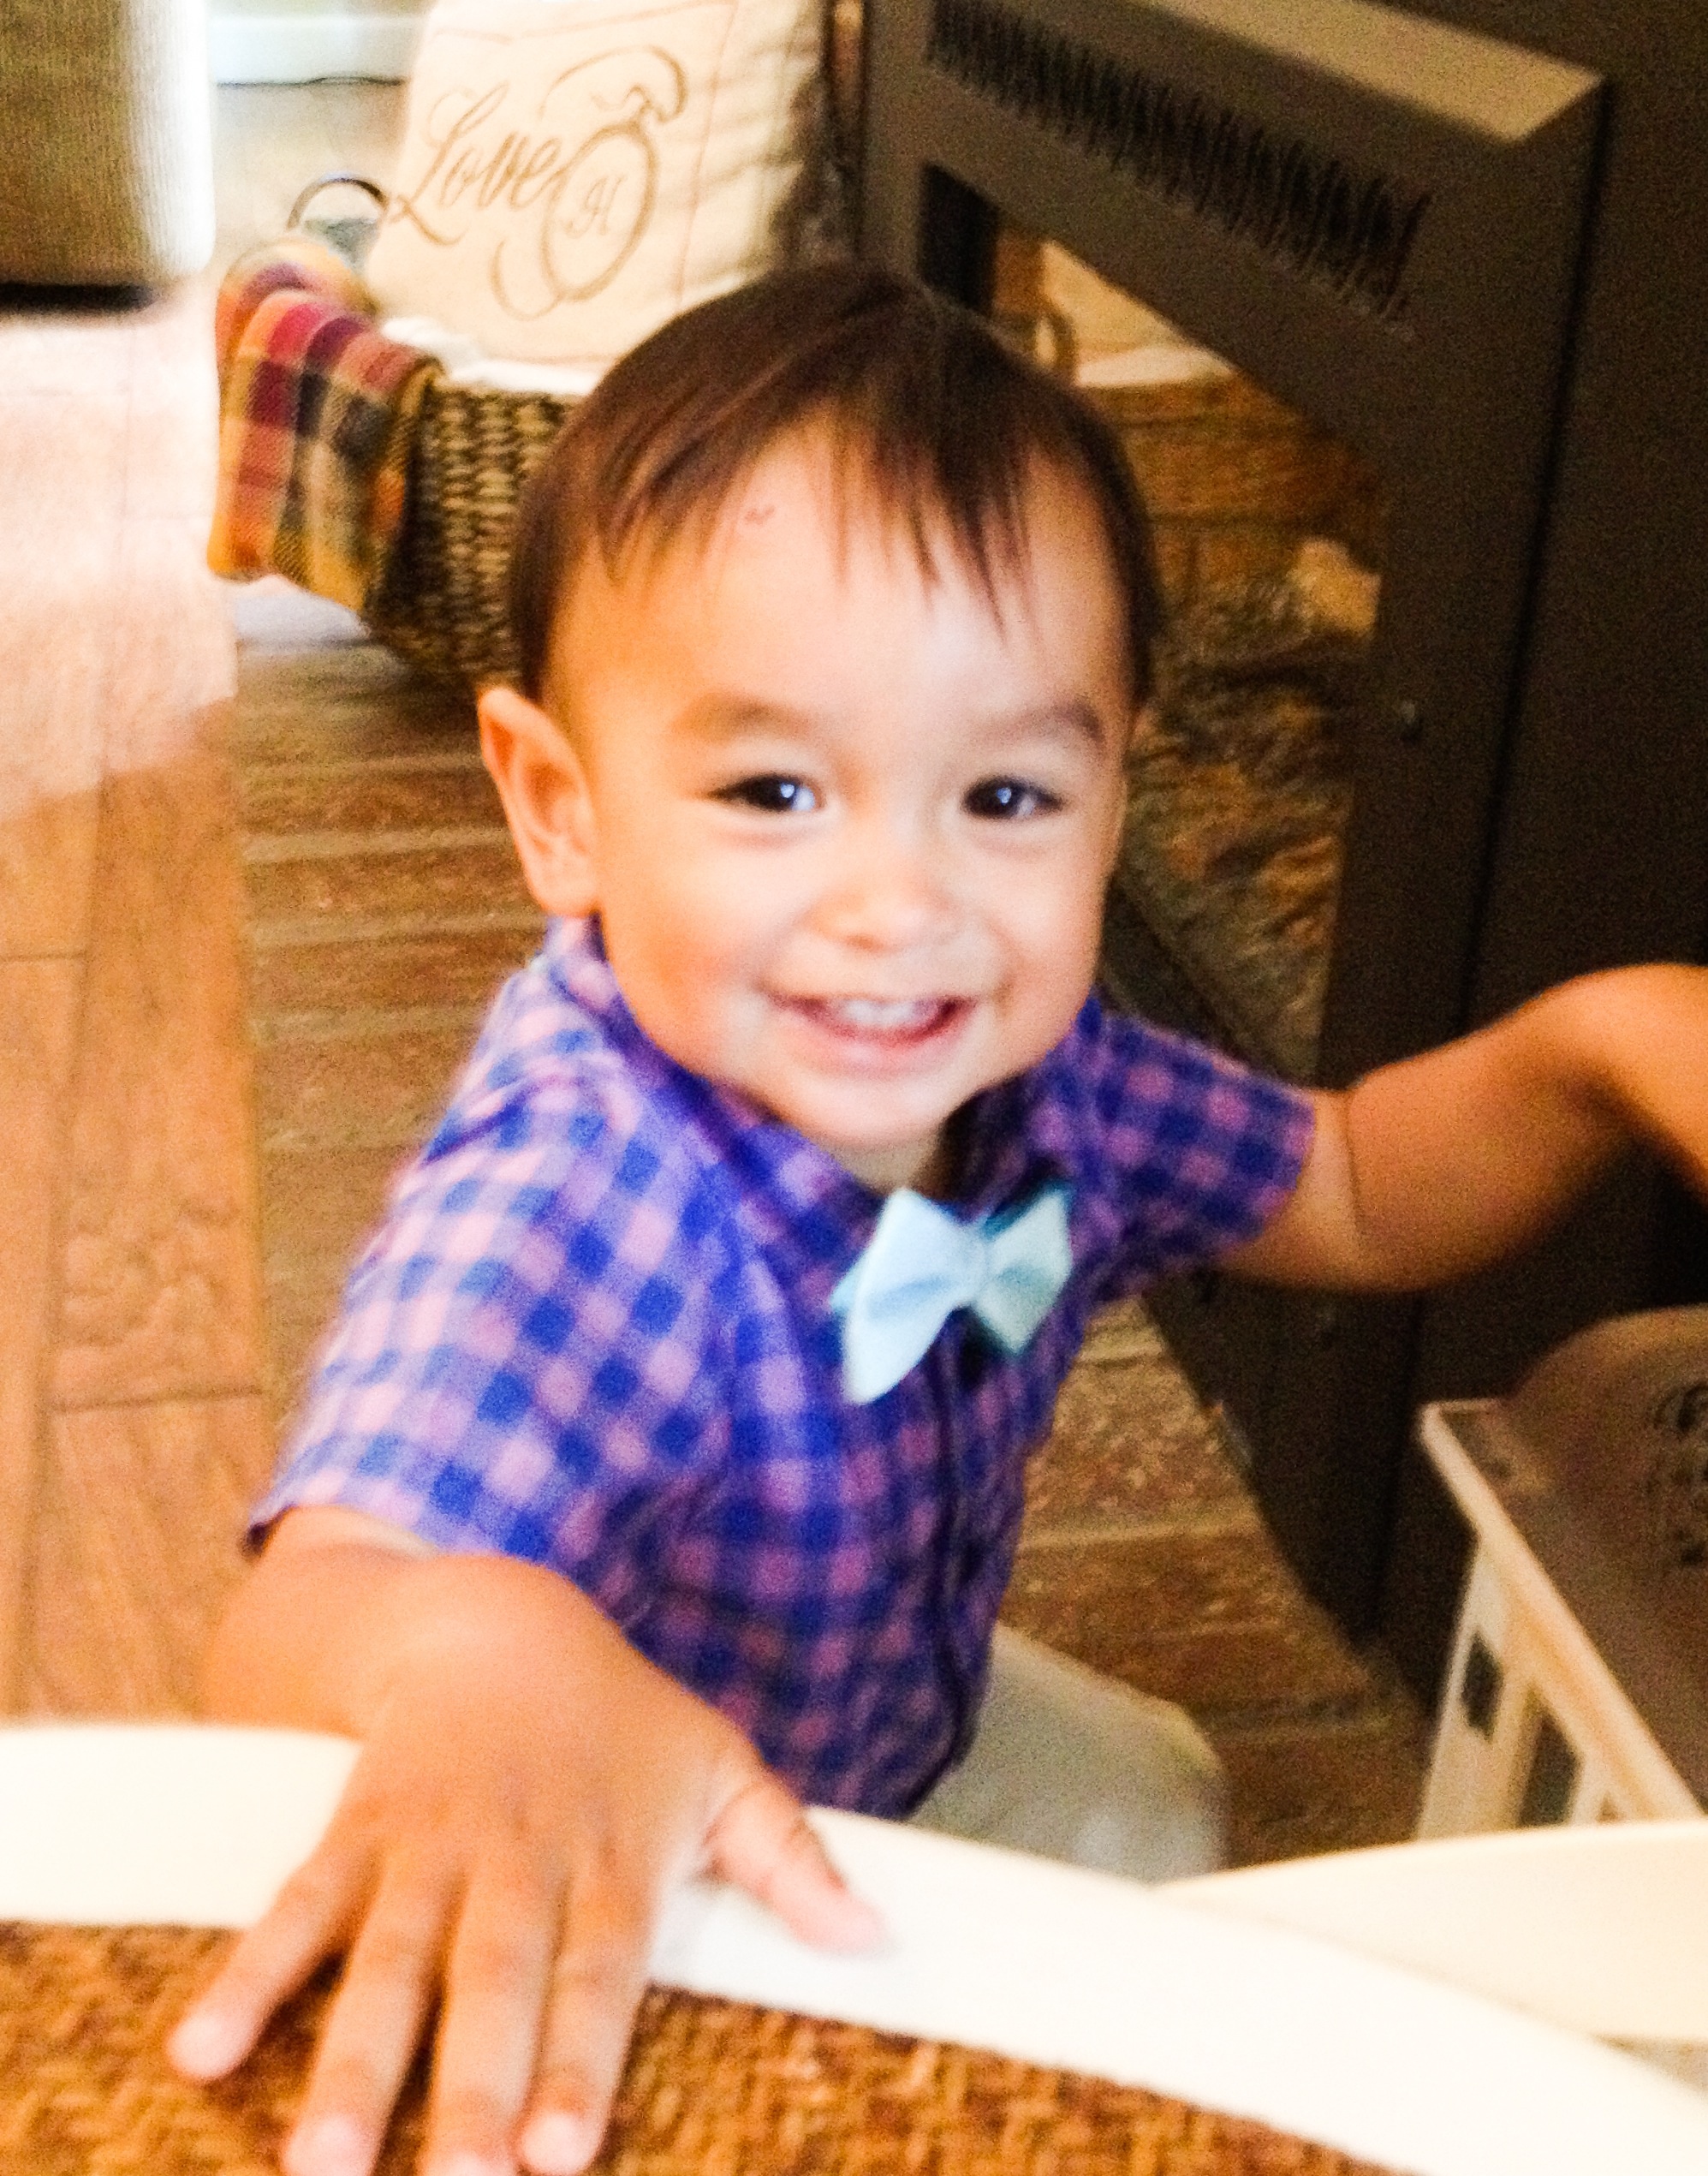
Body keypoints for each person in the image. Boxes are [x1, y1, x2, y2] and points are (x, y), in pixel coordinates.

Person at [170, 261, 1708, 2176]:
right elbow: (311, 1601)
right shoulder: (577, 1203)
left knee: (1162, 1801)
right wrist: (476, 1657)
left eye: (1002, 792)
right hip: (638, 1839)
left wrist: (1597, 1046)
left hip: (886, 1713)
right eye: (773, 787)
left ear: (1111, 797)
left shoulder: (1040, 1078)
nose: (900, 903)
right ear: (558, 805)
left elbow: (1353, 1180)